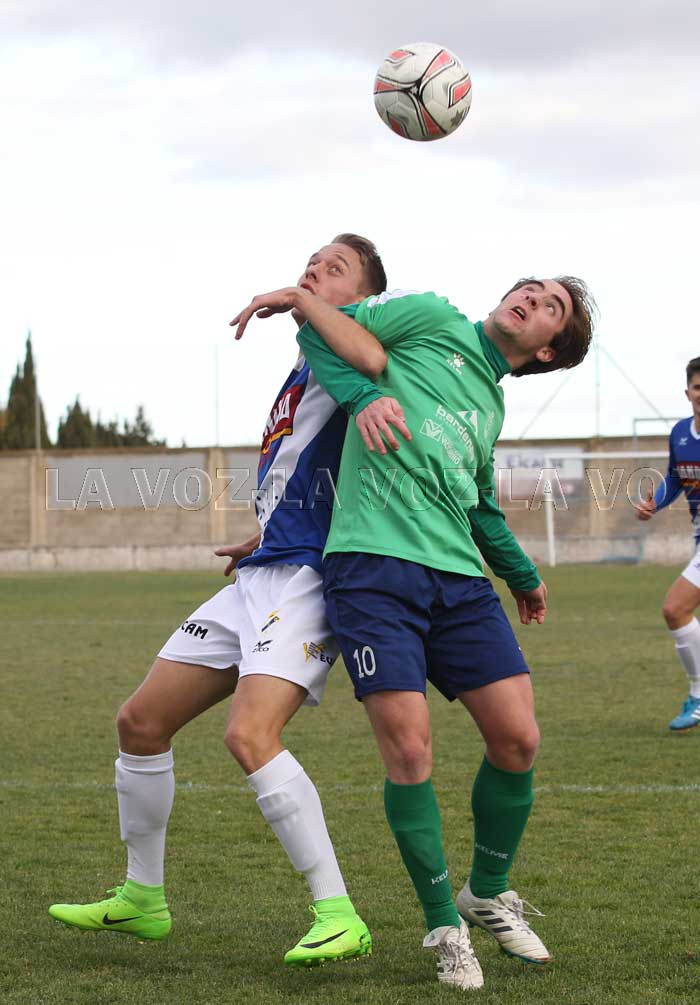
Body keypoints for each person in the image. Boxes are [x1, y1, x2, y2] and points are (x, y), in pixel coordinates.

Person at [231, 275, 596, 991]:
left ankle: (485, 892)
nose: (530, 296)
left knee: (518, 737)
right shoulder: (431, 317)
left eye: (550, 304)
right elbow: (318, 327)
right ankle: (445, 927)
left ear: (548, 350)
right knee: (410, 748)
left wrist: (522, 574)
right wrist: (361, 395)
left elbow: (479, 504)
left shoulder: (489, 404)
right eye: (530, 286)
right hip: (371, 572)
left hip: (459, 582)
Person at [48, 234, 391, 967]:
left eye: (334, 268)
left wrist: (299, 299)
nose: (313, 270)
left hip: (307, 579)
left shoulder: (347, 350)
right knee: (141, 722)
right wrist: (262, 532)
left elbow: (372, 360)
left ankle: (339, 913)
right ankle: (143, 898)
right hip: (262, 569)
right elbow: (307, 472)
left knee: (250, 734)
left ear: (363, 298)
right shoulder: (307, 362)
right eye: (310, 263)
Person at [635, 357, 700, 731]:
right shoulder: (679, 433)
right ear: (687, 392)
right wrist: (654, 503)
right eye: (698, 387)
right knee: (678, 611)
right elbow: (675, 477)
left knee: (676, 608)